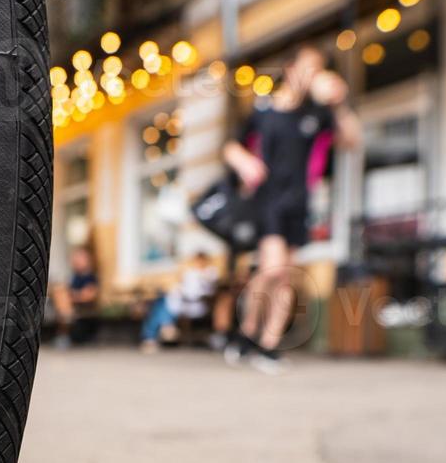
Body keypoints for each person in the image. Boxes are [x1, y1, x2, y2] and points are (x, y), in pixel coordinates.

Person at [221, 45, 361, 374]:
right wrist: (244, 162)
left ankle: (266, 345)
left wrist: (339, 103)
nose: (313, 75)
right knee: (272, 270)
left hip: (299, 203)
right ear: (290, 68)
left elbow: (352, 140)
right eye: (308, 67)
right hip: (267, 199)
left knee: (286, 276)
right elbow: (231, 146)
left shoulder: (318, 114)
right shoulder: (264, 110)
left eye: (318, 69)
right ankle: (246, 333)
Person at [140, 251, 218, 353]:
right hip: (182, 302)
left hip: (194, 305)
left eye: (199, 260)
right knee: (160, 302)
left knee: (161, 305)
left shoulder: (209, 273)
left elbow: (202, 289)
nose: (197, 263)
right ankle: (165, 327)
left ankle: (155, 334)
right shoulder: (191, 272)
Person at [52, 246, 101, 348]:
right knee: (59, 291)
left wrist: (72, 296)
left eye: (80, 258)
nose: (76, 261)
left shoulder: (90, 277)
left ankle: (64, 328)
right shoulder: (74, 277)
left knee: (62, 299)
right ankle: (64, 318)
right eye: (75, 258)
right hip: (72, 305)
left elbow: (89, 295)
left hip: (82, 306)